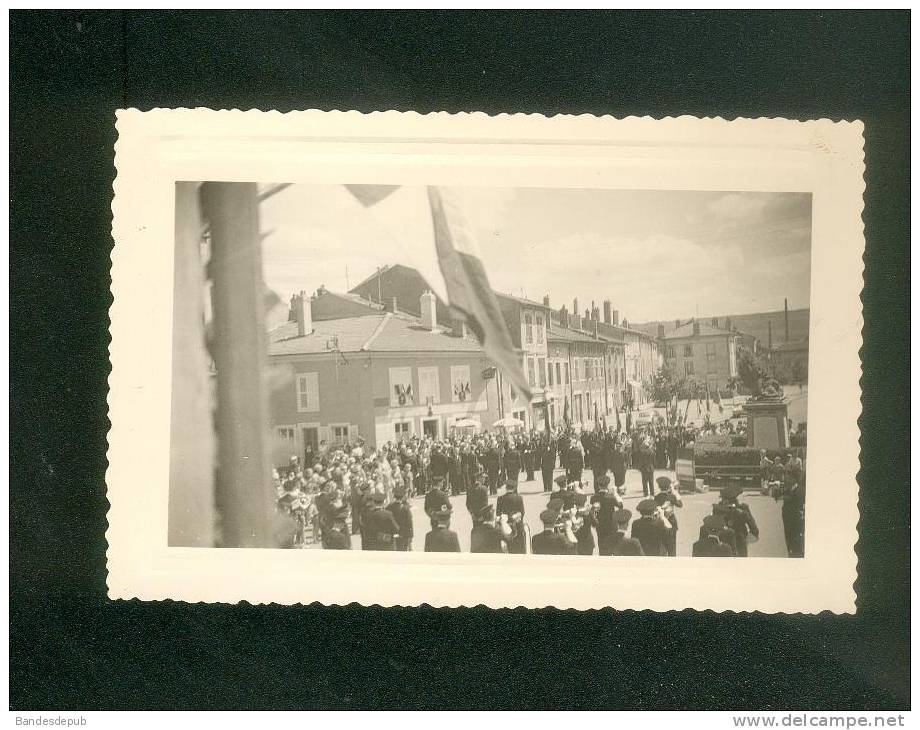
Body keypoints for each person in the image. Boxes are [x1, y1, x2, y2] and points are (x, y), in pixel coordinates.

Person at [712, 485, 759, 557]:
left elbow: (712, 527)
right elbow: (754, 529)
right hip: (739, 543)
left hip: (722, 544)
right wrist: (746, 539)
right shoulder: (743, 508)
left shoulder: (717, 509)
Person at [653, 476, 683, 557]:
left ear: (659, 487)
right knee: (672, 548)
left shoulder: (656, 497)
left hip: (661, 523)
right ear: (668, 486)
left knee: (662, 546)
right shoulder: (672, 496)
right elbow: (680, 504)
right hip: (671, 522)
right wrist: (674, 491)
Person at [497, 478, 527, 554]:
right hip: (517, 526)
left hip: (505, 527)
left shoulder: (500, 499)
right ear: (514, 488)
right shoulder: (519, 498)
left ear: (506, 487)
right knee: (520, 547)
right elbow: (522, 512)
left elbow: (498, 514)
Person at [780, 472, 806, 558]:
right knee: (790, 545)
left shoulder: (800, 490)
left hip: (796, 523)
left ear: (794, 479)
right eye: (786, 478)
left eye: (789, 478)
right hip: (787, 522)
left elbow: (799, 506)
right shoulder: (788, 489)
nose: (786, 480)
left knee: (797, 548)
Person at [387, 487, 414, 551]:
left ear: (394, 497)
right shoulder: (406, 508)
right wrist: (410, 536)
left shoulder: (389, 507)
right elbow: (409, 523)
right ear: (402, 497)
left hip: (392, 533)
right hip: (403, 534)